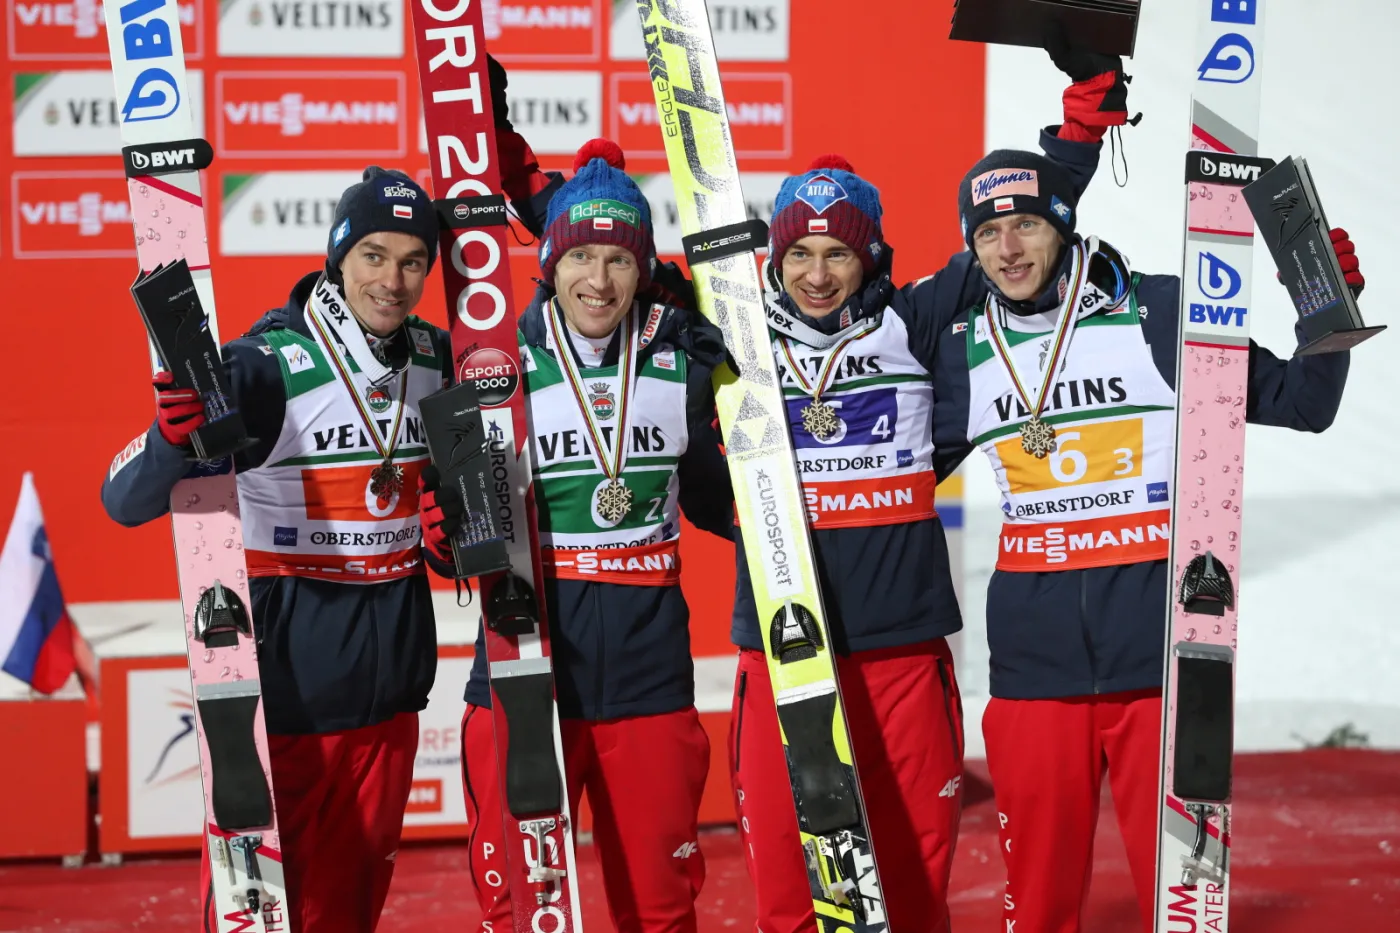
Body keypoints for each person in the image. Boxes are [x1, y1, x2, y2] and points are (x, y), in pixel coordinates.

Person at [724, 41, 1133, 933]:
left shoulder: (911, 323)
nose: (819, 273)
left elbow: (1015, 232)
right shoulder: (735, 348)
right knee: (792, 900)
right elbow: (605, 302)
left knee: (911, 886)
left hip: (902, 655)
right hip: (783, 648)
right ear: (775, 260)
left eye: (840, 252)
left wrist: (1079, 123)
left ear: (871, 256)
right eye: (802, 253)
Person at [928, 145, 1365, 933]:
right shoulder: (963, 349)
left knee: (1184, 903)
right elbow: (888, 474)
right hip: (1034, 671)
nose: (1009, 249)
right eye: (988, 234)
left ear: (1063, 225)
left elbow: (1303, 403)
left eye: (1027, 226)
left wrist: (1326, 309)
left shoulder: (1159, 314)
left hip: (1163, 663)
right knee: (1039, 905)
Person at [102, 167, 456, 932]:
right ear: (338, 256)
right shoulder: (267, 364)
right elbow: (122, 500)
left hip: (391, 703)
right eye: (373, 256)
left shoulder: (436, 357)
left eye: (412, 262)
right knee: (256, 916)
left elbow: (448, 523)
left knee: (348, 916)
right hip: (286, 705)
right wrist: (169, 440)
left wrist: (449, 542)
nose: (392, 281)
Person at [453, 136, 734, 933]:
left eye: (618, 259)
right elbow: (458, 537)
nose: (599, 281)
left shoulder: (683, 364)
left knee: (661, 909)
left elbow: (716, 503)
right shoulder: (491, 366)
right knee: (522, 911)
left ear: (643, 267)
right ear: (550, 264)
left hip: (649, 680)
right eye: (580, 256)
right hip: (524, 669)